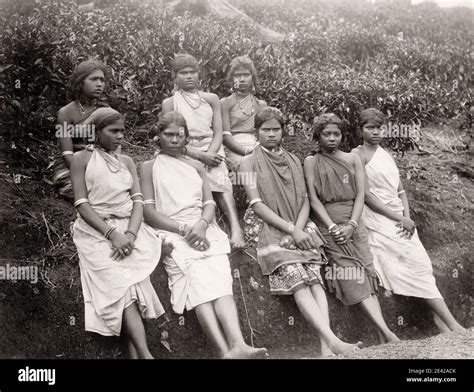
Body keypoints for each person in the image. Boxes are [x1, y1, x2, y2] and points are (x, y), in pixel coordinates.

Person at [140, 111, 268, 359]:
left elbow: (209, 203)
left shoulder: (196, 165)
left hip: (203, 228)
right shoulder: (148, 167)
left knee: (220, 282)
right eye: (168, 135)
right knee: (198, 284)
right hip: (172, 231)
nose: (175, 140)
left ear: (186, 137)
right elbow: (148, 211)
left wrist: (201, 224)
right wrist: (183, 229)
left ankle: (239, 344)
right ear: (158, 137)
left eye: (180, 135)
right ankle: (223, 351)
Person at [240, 107, 362, 355]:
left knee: (315, 278)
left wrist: (297, 228)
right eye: (266, 130)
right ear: (256, 132)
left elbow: (306, 199)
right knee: (295, 276)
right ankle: (334, 341)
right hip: (267, 224)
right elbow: (257, 204)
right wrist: (290, 230)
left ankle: (325, 347)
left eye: (276, 129)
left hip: (297, 222)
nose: (272, 134)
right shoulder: (247, 162)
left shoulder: (293, 159)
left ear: (283, 131)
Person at [352, 108, 465, 333]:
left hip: (400, 217)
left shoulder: (386, 153)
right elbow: (367, 196)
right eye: (370, 128)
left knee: (421, 264)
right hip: (379, 217)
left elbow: (401, 191)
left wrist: (407, 217)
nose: (375, 132)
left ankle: (441, 323)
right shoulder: (358, 155)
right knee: (410, 263)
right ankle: (453, 324)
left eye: (379, 128)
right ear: (360, 130)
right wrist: (397, 218)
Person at [70, 107, 164, 359]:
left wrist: (131, 235)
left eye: (122, 130)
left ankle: (138, 356)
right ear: (97, 132)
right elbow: (81, 204)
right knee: (119, 281)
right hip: (96, 229)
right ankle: (145, 354)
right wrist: (113, 234)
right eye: (113, 131)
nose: (120, 136)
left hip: (130, 227)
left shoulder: (127, 162)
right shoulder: (81, 159)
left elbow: (137, 201)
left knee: (132, 281)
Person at [304, 113, 399, 344]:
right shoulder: (311, 161)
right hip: (330, 226)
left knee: (367, 272)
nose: (332, 138)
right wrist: (333, 226)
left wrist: (353, 224)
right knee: (351, 275)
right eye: (327, 134)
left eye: (336, 134)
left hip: (355, 223)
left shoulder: (352, 159)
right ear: (318, 136)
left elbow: (360, 194)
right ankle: (388, 333)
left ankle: (381, 333)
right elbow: (314, 199)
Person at [161, 53, 245, 249]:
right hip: (183, 149)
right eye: (183, 73)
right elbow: (169, 137)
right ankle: (204, 225)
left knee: (221, 178)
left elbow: (218, 132)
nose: (189, 76)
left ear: (199, 75)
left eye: (193, 72)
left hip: (212, 147)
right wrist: (198, 155)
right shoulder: (170, 103)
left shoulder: (211, 98)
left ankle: (235, 228)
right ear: (174, 77)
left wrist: (211, 154)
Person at [52, 60, 109, 200]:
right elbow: (67, 154)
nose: (99, 84)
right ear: (81, 82)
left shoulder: (106, 111)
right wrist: (87, 173)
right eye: (94, 79)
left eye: (102, 80)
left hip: (99, 164)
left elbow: (113, 150)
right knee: (78, 191)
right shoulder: (65, 113)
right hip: (71, 165)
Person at [221, 55, 266, 171]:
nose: (242, 79)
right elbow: (225, 136)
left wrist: (259, 149)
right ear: (232, 79)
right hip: (234, 146)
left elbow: (264, 132)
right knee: (248, 167)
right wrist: (246, 152)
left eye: (246, 75)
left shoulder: (261, 104)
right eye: (237, 75)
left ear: (252, 78)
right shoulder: (226, 103)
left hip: (256, 144)